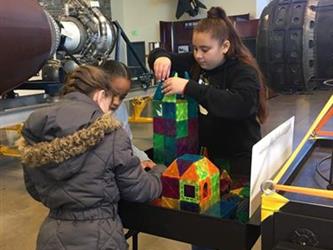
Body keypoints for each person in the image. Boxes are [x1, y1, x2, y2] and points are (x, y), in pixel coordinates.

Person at [17, 65, 163, 250]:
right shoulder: (111, 133)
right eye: (109, 103)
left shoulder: (35, 130)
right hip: (100, 238)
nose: (109, 111)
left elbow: (34, 190)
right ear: (100, 95)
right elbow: (139, 190)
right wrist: (159, 173)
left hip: (51, 238)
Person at [148, 6, 268, 179]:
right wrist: (161, 58)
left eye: (205, 49)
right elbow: (159, 54)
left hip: (240, 161)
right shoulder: (195, 62)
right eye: (195, 48)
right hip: (207, 157)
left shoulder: (243, 71)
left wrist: (189, 87)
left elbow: (240, 104)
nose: (198, 55)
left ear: (225, 46)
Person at [101, 59, 157, 170]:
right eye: (113, 93)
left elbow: (127, 145)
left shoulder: (120, 109)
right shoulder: (88, 114)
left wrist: (144, 159)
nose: (117, 101)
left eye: (122, 96)